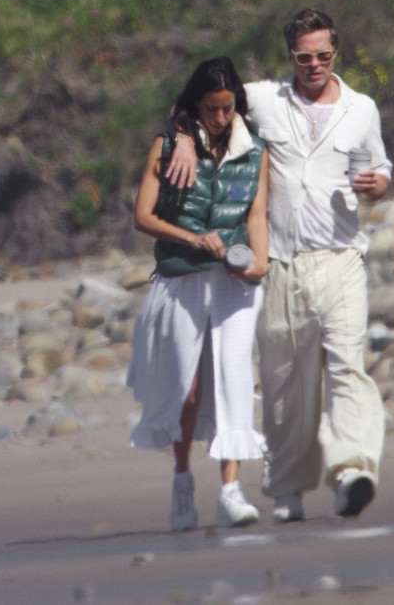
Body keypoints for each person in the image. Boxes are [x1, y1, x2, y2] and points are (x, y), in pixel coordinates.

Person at [168, 9, 391, 522]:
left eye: (324, 55)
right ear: (290, 55)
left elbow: (380, 166)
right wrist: (182, 135)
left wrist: (379, 183)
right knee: (284, 380)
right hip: (281, 263)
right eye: (304, 56)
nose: (314, 65)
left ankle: (353, 471)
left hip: (340, 257)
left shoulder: (362, 108)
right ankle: (288, 489)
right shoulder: (264, 99)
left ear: (337, 52)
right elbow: (202, 100)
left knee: (347, 365)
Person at [126, 56, 270, 531]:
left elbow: (255, 214)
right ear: (195, 105)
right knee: (186, 390)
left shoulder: (255, 150)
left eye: (228, 108)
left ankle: (231, 491)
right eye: (211, 108)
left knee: (233, 379)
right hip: (182, 276)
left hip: (233, 281)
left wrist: (260, 260)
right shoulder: (169, 146)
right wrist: (192, 239)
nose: (221, 117)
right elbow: (143, 217)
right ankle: (183, 481)